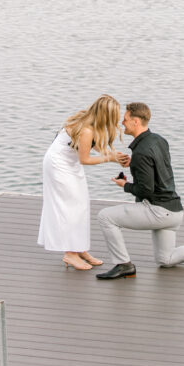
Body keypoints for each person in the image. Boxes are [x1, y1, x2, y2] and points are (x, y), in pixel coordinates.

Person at [95, 102, 184, 280]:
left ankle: (123, 264)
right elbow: (156, 168)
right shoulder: (159, 140)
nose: (122, 123)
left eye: (125, 119)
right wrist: (135, 166)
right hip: (174, 211)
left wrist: (125, 185)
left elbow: (145, 190)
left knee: (105, 216)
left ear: (136, 121)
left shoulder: (141, 152)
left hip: (158, 211)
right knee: (165, 259)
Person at [38, 95, 130, 271]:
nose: (117, 119)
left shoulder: (90, 123)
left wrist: (114, 155)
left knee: (81, 205)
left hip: (69, 163)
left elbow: (91, 146)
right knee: (70, 207)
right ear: (105, 115)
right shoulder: (86, 129)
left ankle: (80, 249)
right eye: (115, 115)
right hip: (59, 165)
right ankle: (70, 254)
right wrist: (109, 158)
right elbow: (85, 159)